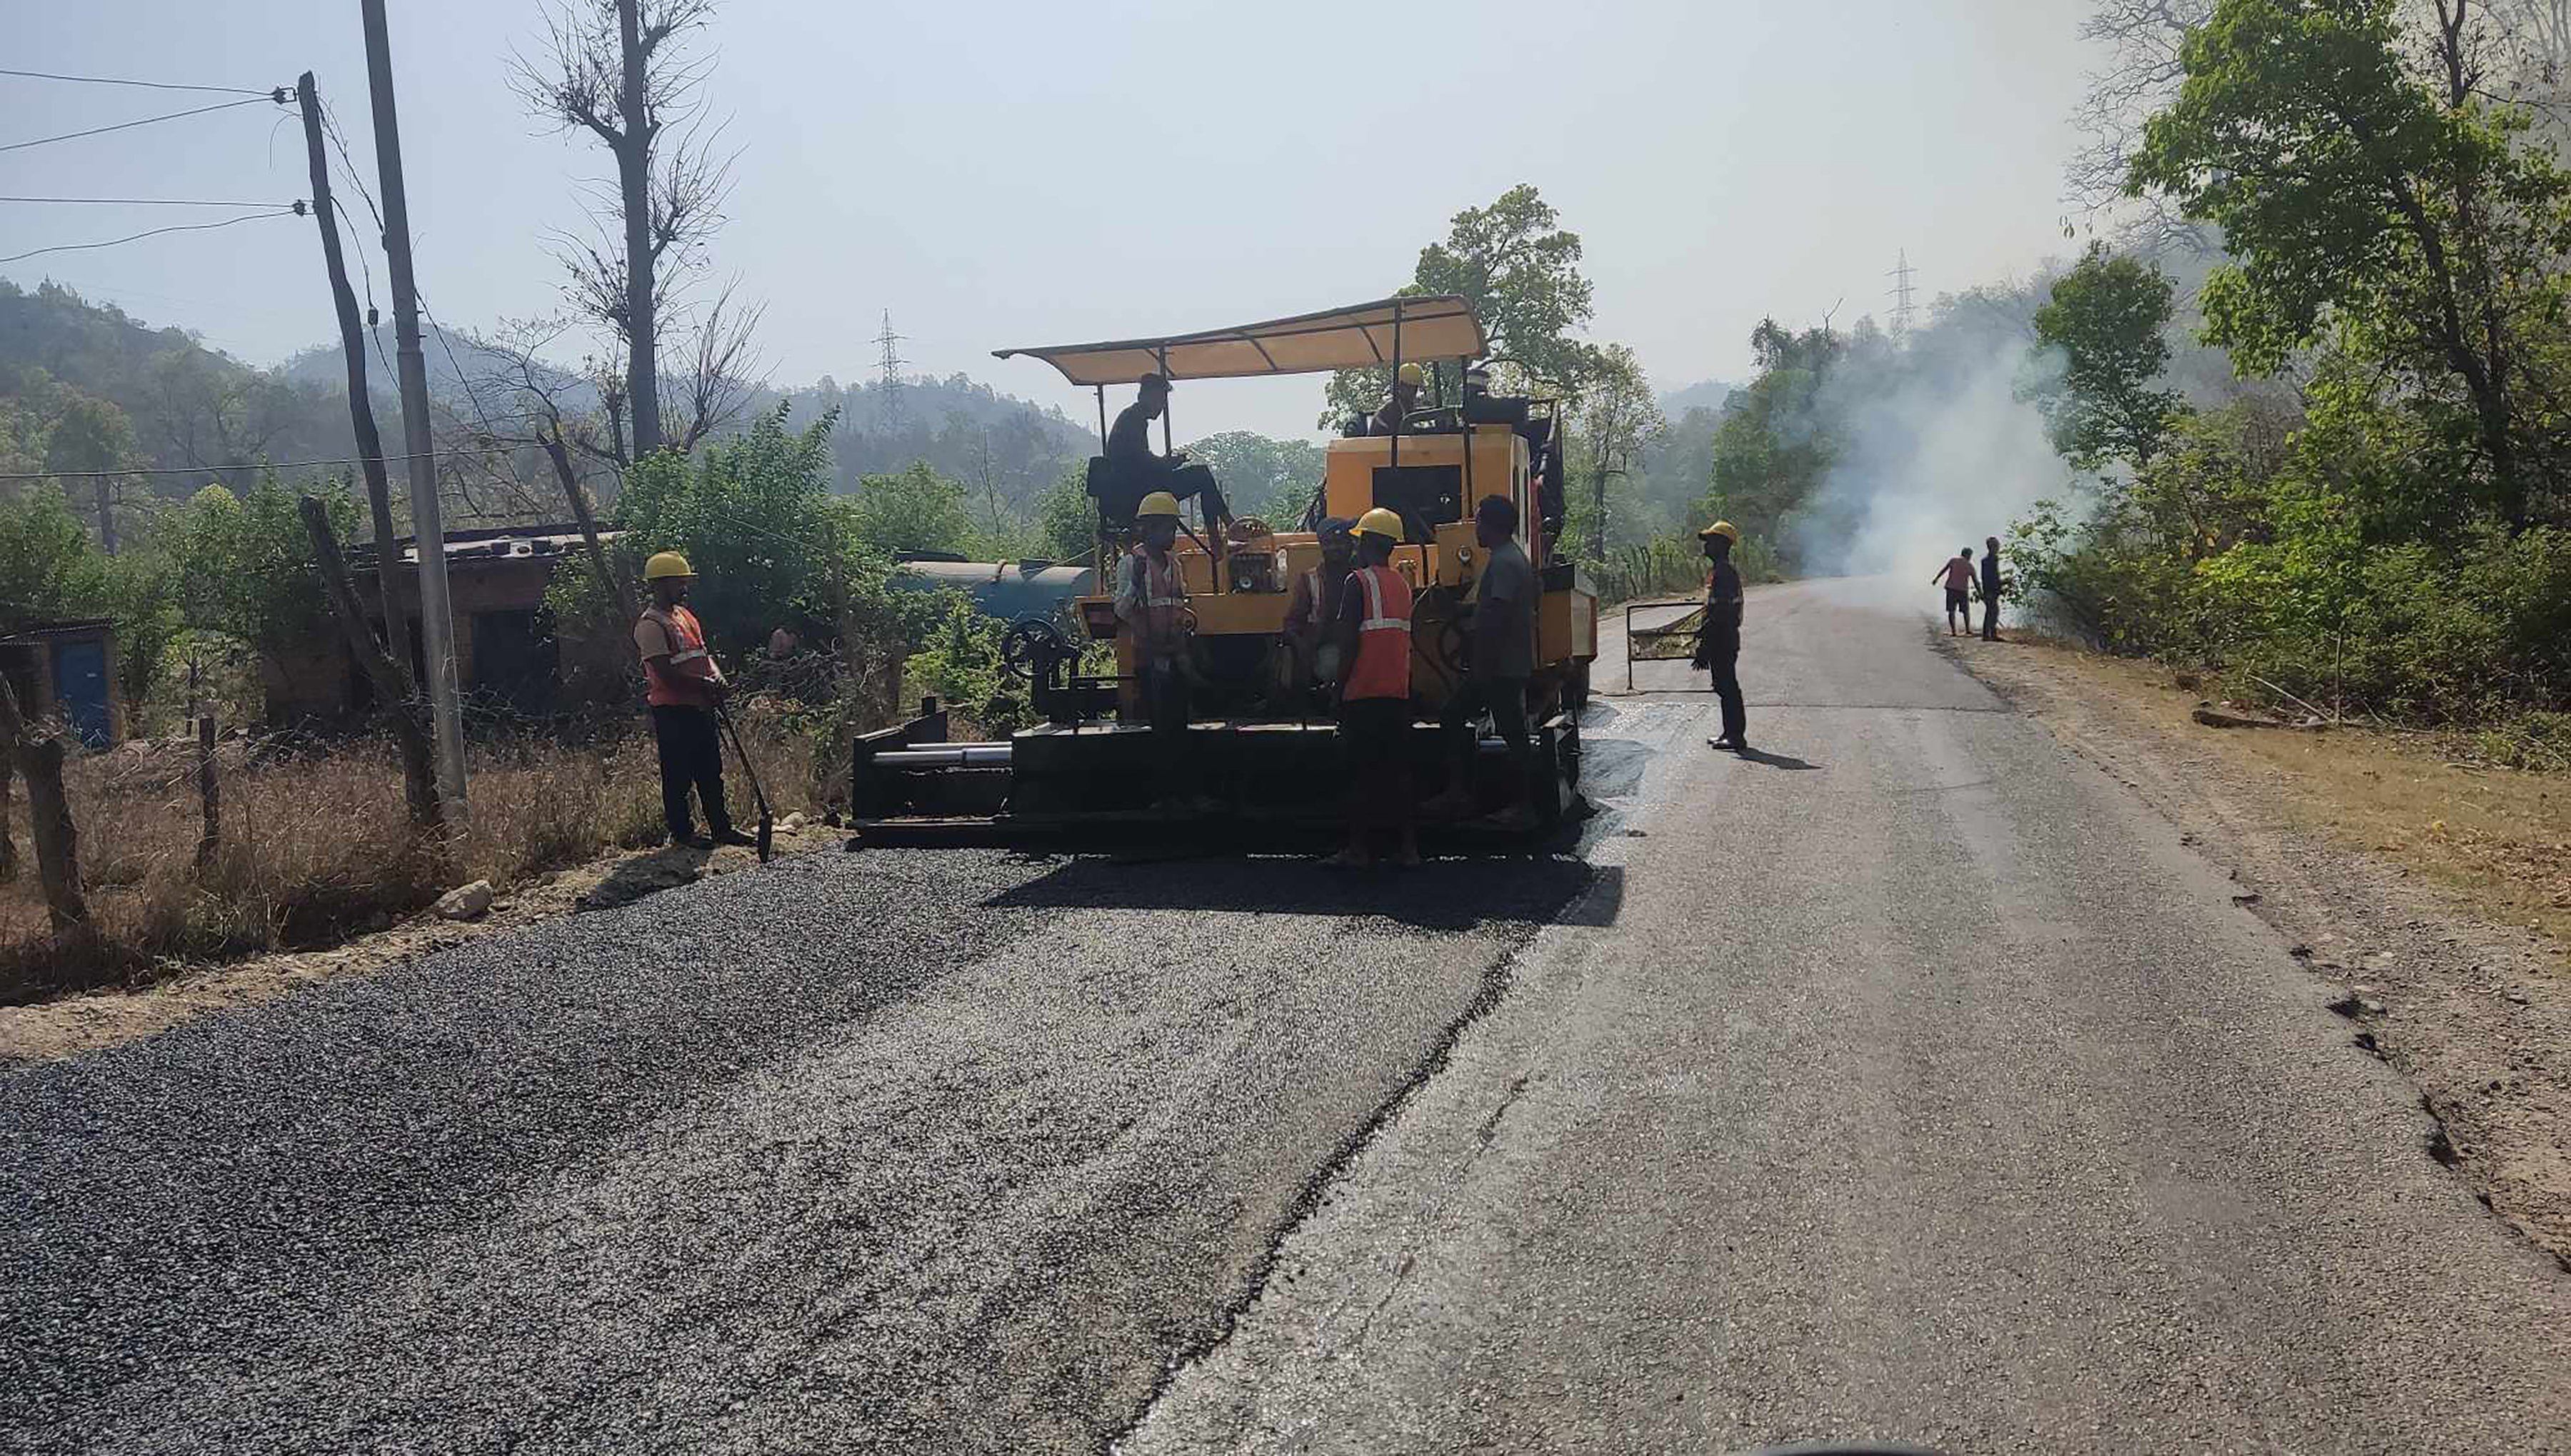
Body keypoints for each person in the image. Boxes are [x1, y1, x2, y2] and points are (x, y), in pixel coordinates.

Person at [1425, 494, 1536, 829]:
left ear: (1491, 524)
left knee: (1459, 718)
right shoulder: (1510, 558)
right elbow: (1492, 608)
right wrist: (1461, 610)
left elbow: (1498, 617)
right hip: (1506, 663)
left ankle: (1508, 803)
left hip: (1499, 666)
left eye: (1478, 522)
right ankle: (1503, 801)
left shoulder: (1503, 563)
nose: (1476, 529)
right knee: (1510, 730)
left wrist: (1482, 665)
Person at [633, 551, 753, 850]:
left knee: (710, 770)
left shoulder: (684, 616)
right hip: (674, 711)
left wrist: (718, 677)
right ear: (660, 585)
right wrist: (703, 684)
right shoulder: (650, 625)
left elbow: (703, 653)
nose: (684, 588)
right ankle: (683, 834)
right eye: (679, 582)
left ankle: (721, 828)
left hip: (701, 705)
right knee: (678, 775)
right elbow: (664, 672)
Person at [1327, 507, 1421, 868]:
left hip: (1363, 692)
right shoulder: (1402, 584)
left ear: (1365, 544)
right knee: (1399, 774)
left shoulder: (1357, 582)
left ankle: (1358, 849)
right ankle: (1409, 849)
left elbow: (1349, 642)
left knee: (1359, 774)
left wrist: (1337, 688)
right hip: (1397, 691)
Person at [1114, 491, 1200, 806]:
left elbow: (1179, 605)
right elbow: (1121, 611)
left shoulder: (1176, 565)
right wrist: (1135, 583)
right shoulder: (1131, 564)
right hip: (1149, 657)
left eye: (1173, 528)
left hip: (1175, 654)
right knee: (1160, 728)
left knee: (1178, 724)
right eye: (1166, 528)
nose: (1172, 535)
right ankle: (1162, 796)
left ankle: (1180, 793)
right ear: (1146, 530)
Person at [1108, 373, 1230, 528]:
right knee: (1202, 476)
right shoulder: (1133, 420)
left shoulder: (1131, 417)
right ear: (1145, 397)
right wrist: (1168, 463)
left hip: (1136, 487)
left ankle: (1225, 529)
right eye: (1160, 400)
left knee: (1202, 475)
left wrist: (1166, 463)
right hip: (1139, 492)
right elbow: (1142, 461)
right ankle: (1226, 530)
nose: (1162, 406)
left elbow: (1140, 459)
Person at [1282, 516, 1356, 706]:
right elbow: (1291, 623)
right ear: (1322, 547)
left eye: (1339, 543)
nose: (1334, 548)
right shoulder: (1310, 580)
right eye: (1329, 543)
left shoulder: (1362, 577)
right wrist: (1303, 649)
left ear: (1350, 545)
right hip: (1324, 654)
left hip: (1359, 652)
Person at [1693, 521, 1748, 753]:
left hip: (1723, 638)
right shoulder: (1721, 572)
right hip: (1723, 636)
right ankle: (1730, 733)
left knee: (1727, 686)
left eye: (1710, 541)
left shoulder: (1724, 573)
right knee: (1724, 686)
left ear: (1722, 545)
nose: (1706, 546)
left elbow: (1722, 613)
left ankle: (1735, 736)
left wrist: (1706, 643)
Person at [1368, 361, 1427, 435]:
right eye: (1410, 387)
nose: (1413, 393)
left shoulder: (1406, 406)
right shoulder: (1392, 410)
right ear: (1400, 386)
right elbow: (1401, 436)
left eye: (1415, 388)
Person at [1933, 546, 1976, 638]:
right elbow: (1976, 581)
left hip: (1951, 589)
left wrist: (1936, 578)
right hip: (1963, 590)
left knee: (1951, 610)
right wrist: (1980, 593)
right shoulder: (1970, 566)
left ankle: (1954, 632)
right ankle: (1968, 630)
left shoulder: (1953, 561)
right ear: (1968, 555)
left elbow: (1944, 570)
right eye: (1970, 555)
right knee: (1966, 611)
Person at [1979, 534, 2004, 641]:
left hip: (1992, 589)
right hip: (1990, 590)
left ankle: (1990, 634)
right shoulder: (1989, 560)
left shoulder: (1990, 559)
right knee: (1992, 612)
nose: (1998, 547)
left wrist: (2000, 585)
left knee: (1992, 611)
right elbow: (1989, 577)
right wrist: (1989, 591)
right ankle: (1989, 635)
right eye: (1997, 546)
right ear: (1992, 547)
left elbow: (1994, 576)